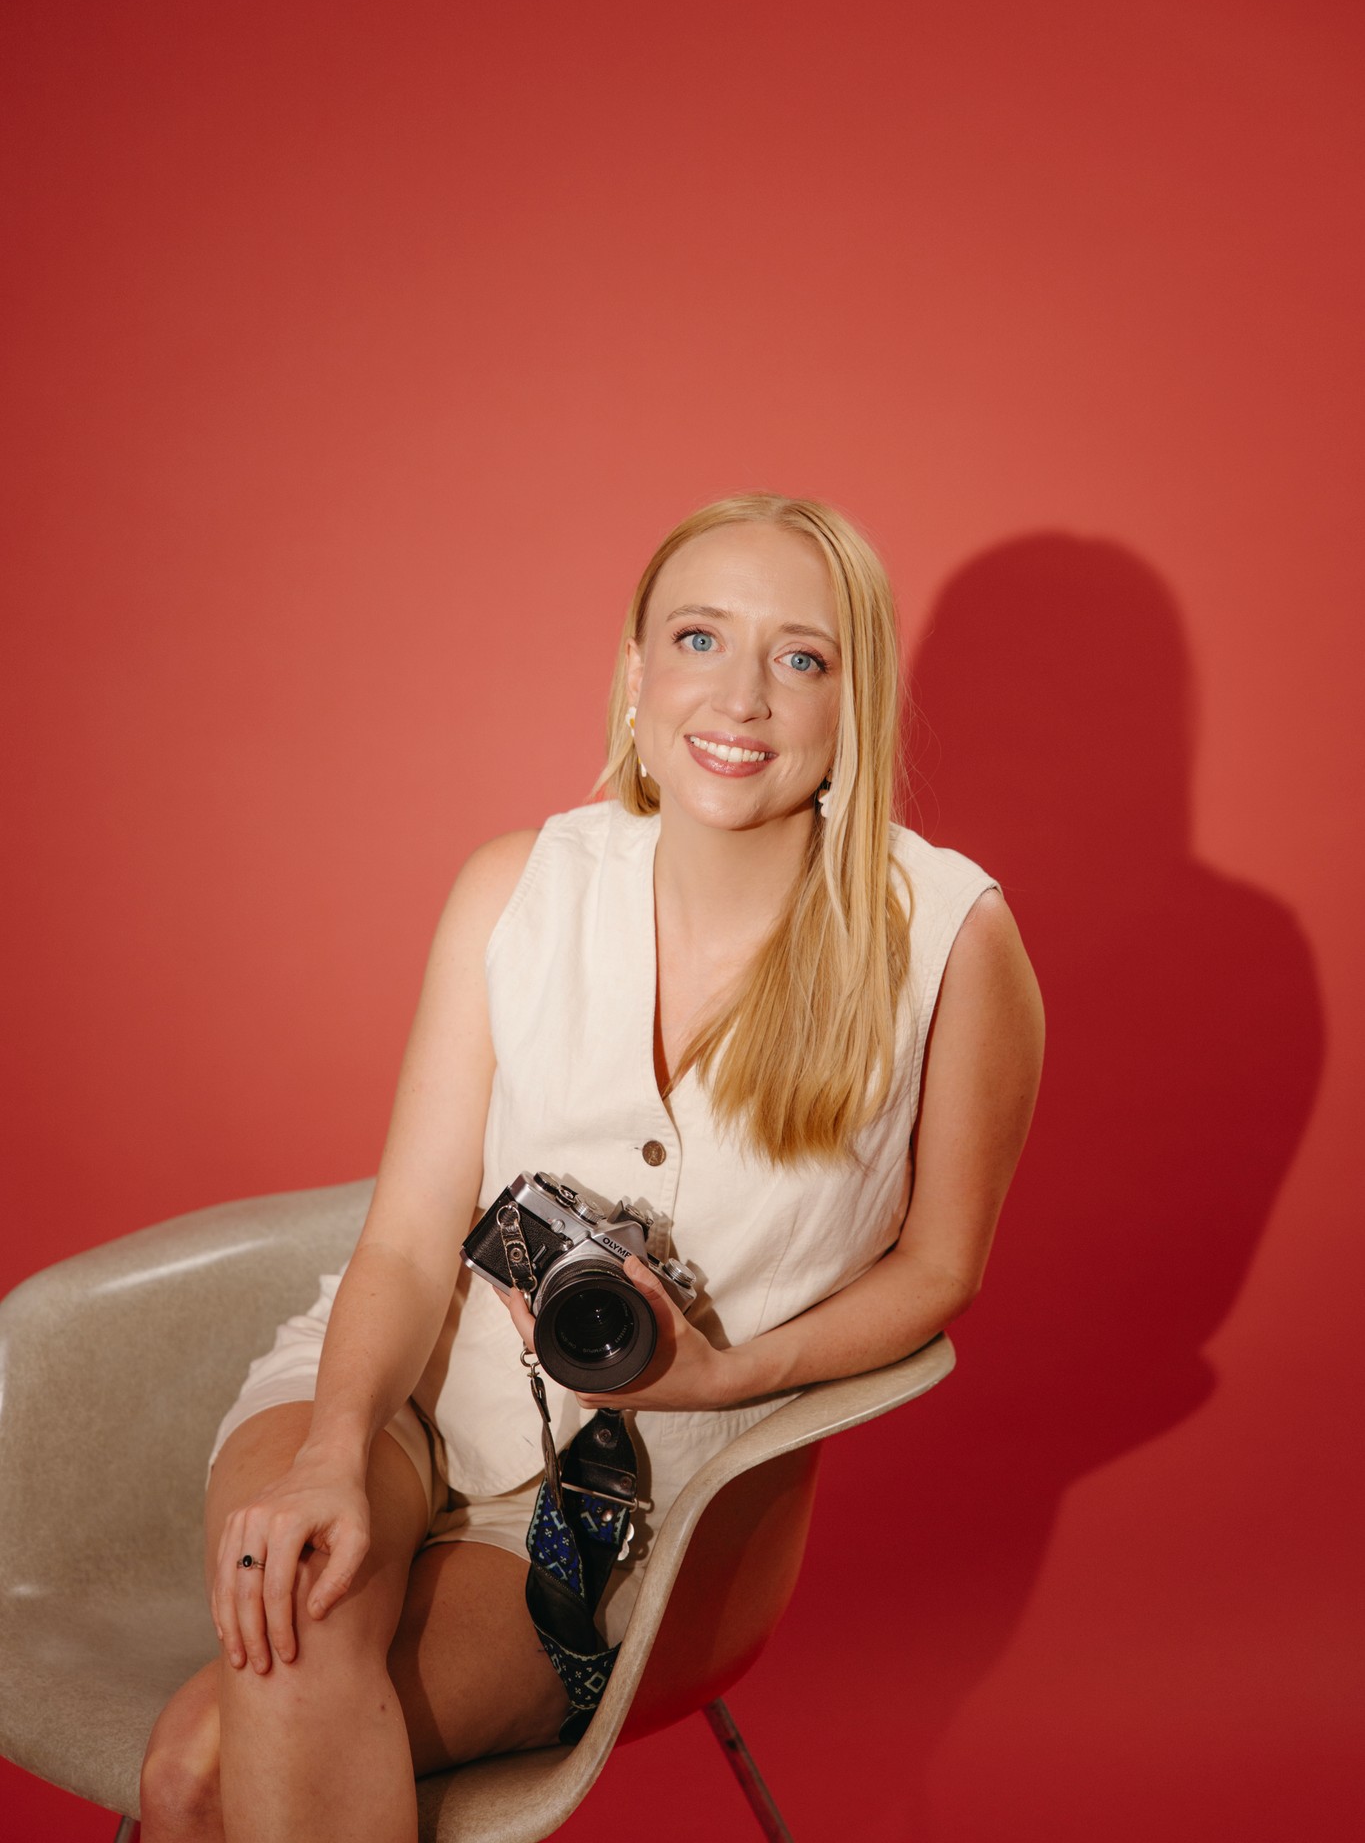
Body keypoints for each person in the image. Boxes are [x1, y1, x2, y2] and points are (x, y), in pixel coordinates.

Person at [138, 491, 1044, 1843]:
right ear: (634, 676)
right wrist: (331, 1448)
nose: (738, 696)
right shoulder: (520, 886)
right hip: (389, 1393)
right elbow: (403, 1239)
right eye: (696, 639)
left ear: (855, 703)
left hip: (617, 1512)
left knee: (202, 1767)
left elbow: (941, 1267)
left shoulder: (949, 945)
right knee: (294, 1646)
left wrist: (730, 1376)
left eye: (799, 658)